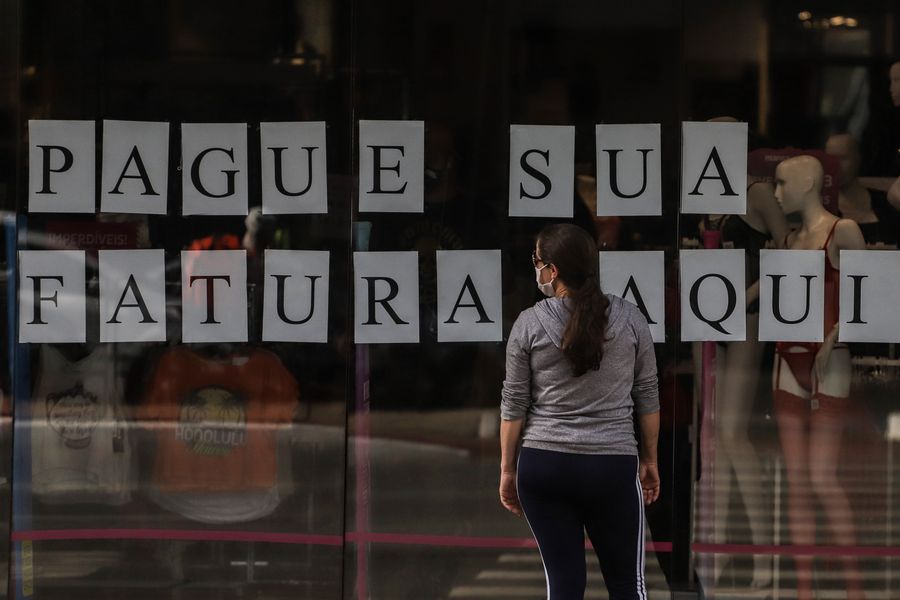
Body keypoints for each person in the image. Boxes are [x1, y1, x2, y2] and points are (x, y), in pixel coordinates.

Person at [499, 223, 660, 600]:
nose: (534, 268)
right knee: (627, 586)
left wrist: (508, 468)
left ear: (552, 271)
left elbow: (514, 403)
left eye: (536, 261)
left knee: (564, 587)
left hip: (544, 465)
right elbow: (648, 395)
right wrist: (649, 459)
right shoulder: (630, 319)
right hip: (611, 466)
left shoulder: (529, 323)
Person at [772, 155, 867, 600]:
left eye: (780, 184)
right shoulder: (790, 239)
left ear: (808, 182)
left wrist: (837, 334)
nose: (775, 195)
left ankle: (854, 587)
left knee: (822, 478)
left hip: (832, 357)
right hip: (786, 358)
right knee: (797, 482)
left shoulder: (842, 230)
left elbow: (872, 292)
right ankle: (805, 590)